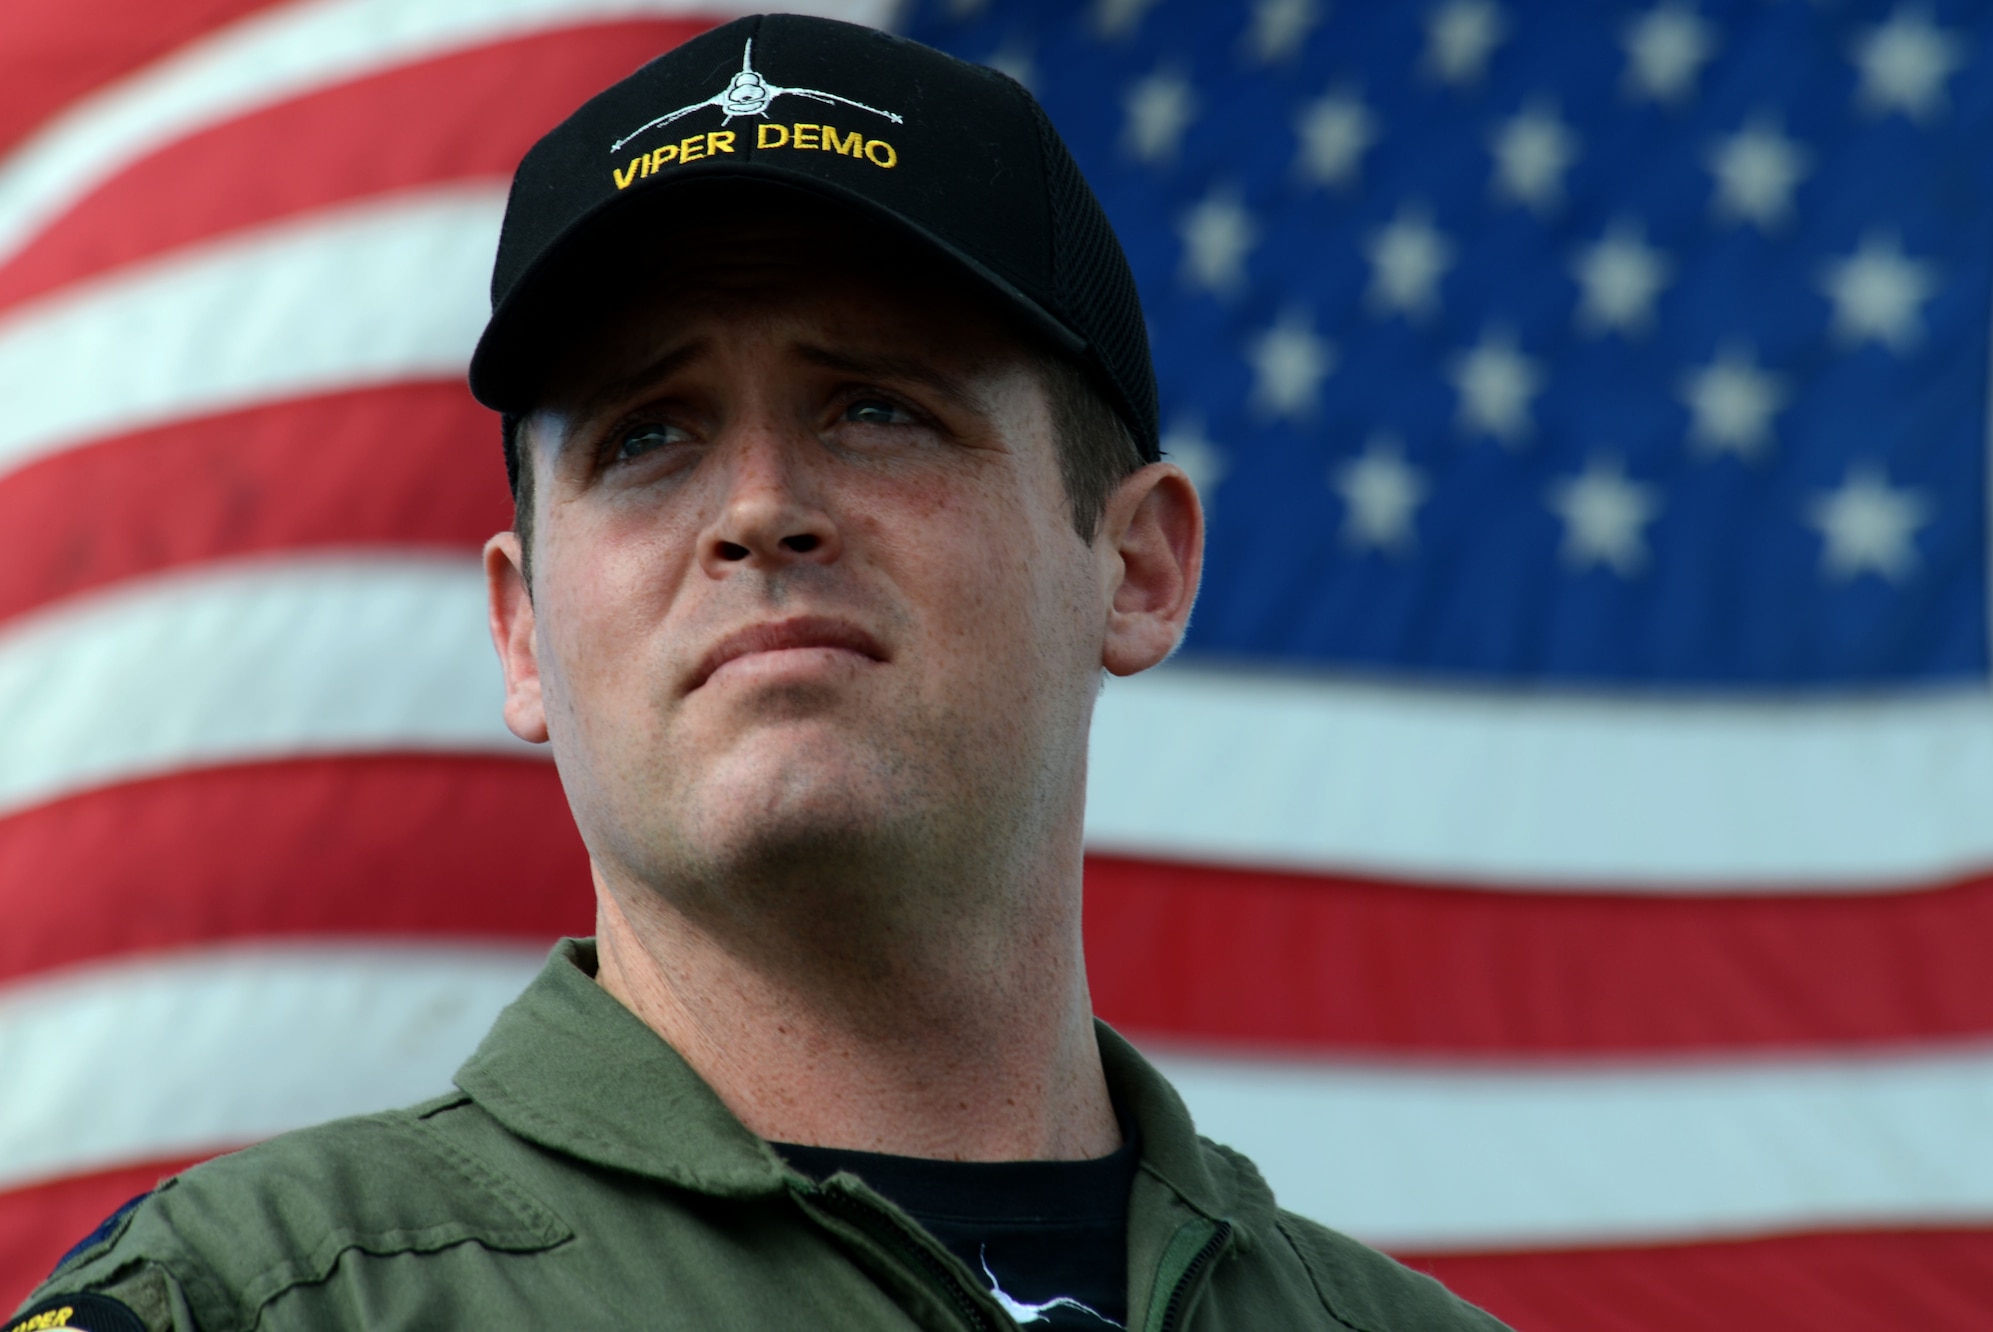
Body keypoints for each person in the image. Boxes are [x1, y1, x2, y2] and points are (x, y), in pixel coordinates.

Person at [15, 15, 1510, 1331]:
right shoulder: (240, 1313)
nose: (756, 507)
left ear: (1137, 568)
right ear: (524, 635)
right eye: (645, 436)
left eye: (874, 405)